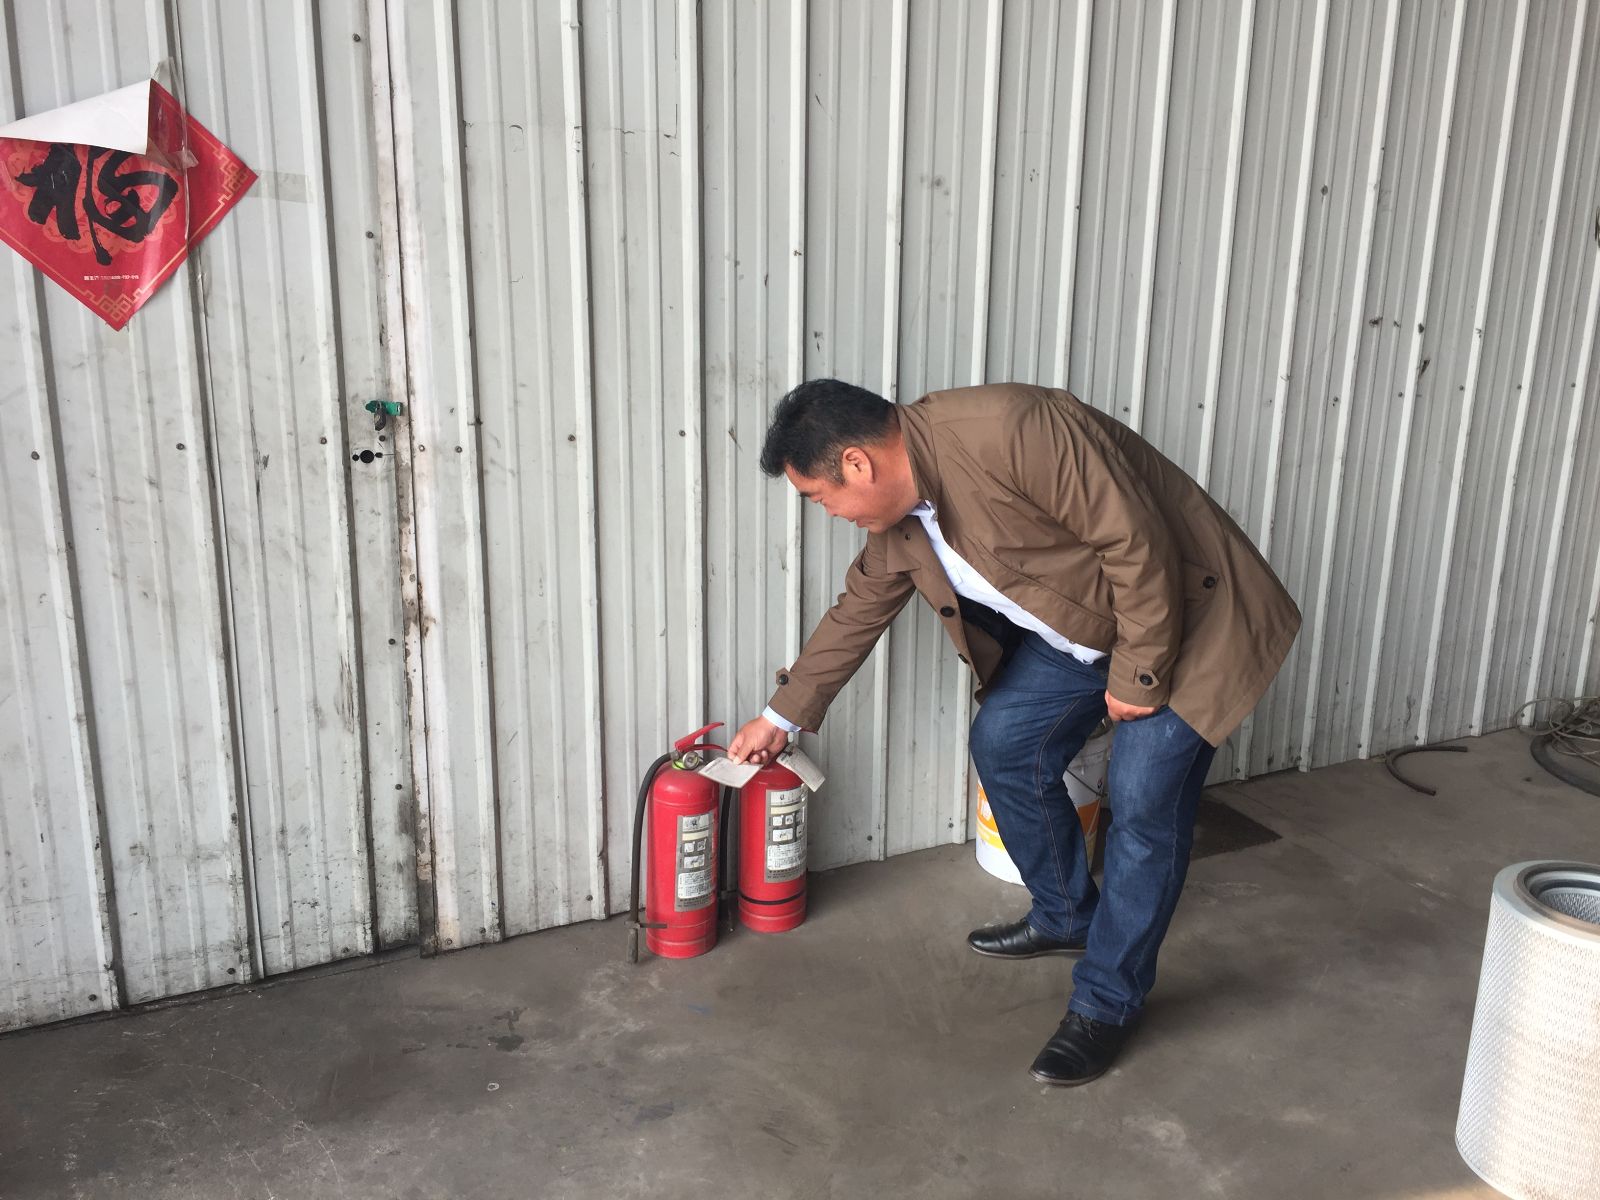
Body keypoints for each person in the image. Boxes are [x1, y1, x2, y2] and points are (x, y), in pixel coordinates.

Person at [728, 379, 1300, 1087]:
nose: (831, 514)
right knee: (1005, 744)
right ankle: (1065, 914)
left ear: (856, 463)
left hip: (1191, 620)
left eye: (821, 498)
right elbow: (858, 610)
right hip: (1086, 632)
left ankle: (1107, 1003)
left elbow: (1136, 543)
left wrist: (1140, 675)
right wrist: (778, 718)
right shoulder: (901, 522)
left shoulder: (1012, 430)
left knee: (1144, 802)